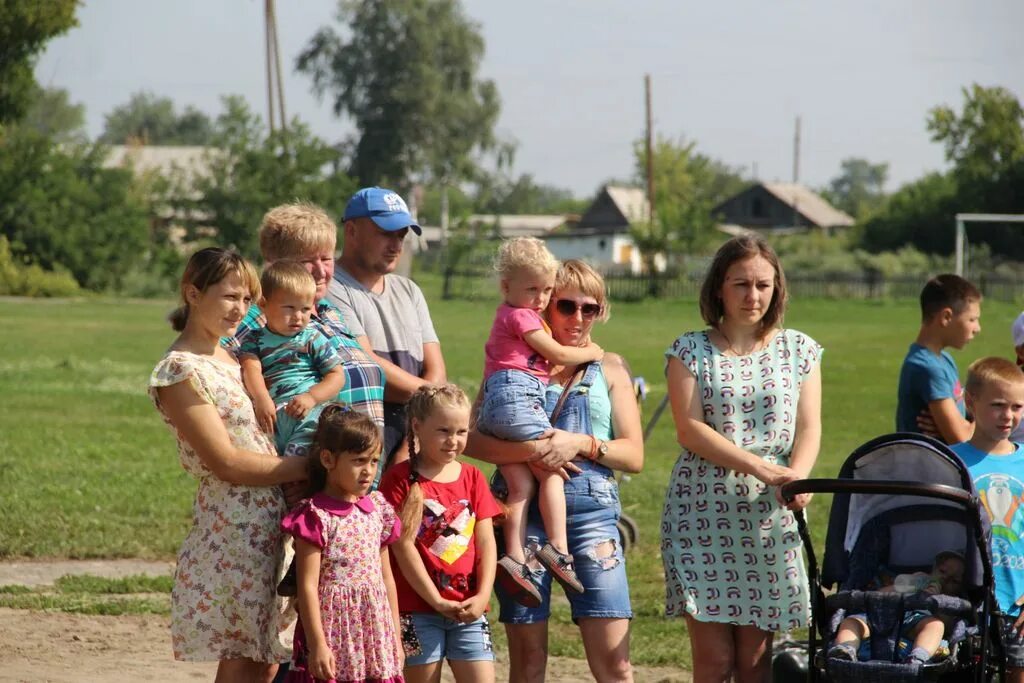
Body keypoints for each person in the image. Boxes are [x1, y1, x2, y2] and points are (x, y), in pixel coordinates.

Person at [466, 259, 644, 683]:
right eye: (567, 306)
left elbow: (634, 455)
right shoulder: (511, 364)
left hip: (592, 520)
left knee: (616, 665)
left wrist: (579, 443)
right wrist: (535, 450)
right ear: (542, 303)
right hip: (521, 518)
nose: (579, 318)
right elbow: (468, 440)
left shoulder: (611, 367)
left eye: (591, 308)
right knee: (527, 664)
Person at [662, 234, 823, 683]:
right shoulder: (690, 350)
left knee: (756, 661)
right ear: (719, 288)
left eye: (762, 285)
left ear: (777, 289)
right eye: (741, 284)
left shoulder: (800, 349)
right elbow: (689, 429)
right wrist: (759, 467)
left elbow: (809, 427)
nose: (753, 296)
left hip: (769, 513)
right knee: (713, 661)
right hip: (702, 511)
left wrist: (798, 479)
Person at [149, 247, 306, 682]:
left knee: (267, 654)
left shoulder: (235, 357)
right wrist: (311, 467)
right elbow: (226, 462)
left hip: (274, 521)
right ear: (193, 294)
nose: (240, 309)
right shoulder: (179, 370)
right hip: (234, 527)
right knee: (241, 655)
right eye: (229, 297)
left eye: (247, 299)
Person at [478, 238, 603, 606]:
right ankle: (559, 549)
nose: (540, 298)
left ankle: (514, 557)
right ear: (506, 287)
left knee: (519, 485)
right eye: (533, 289)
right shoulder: (521, 316)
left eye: (547, 290)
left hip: (498, 404)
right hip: (515, 398)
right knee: (549, 470)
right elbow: (559, 354)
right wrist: (592, 352)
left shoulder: (513, 318)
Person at [225, 202, 386, 462]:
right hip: (306, 469)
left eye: (327, 258)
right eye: (307, 261)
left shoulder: (330, 312)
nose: (321, 271)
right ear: (274, 265)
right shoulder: (250, 322)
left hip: (362, 469)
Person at [378, 384, 500, 683]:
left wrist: (483, 595)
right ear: (417, 426)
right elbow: (402, 548)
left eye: (461, 432)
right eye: (443, 431)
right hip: (415, 611)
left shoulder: (472, 477)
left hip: (469, 609)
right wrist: (435, 600)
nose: (453, 441)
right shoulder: (397, 480)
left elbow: (486, 542)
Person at [280, 405, 404, 683]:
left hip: (374, 632)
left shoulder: (378, 511)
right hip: (333, 631)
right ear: (328, 459)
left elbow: (387, 579)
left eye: (374, 461)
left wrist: (395, 636)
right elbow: (307, 586)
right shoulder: (315, 516)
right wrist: (318, 644)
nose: (368, 471)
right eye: (359, 461)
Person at [328, 187, 445, 466]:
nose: (396, 245)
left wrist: (416, 437)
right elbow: (367, 366)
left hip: (414, 438)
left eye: (401, 235)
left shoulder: (409, 290)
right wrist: (437, 405)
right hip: (359, 446)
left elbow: (437, 368)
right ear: (352, 231)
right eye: (385, 233)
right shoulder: (331, 287)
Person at [950, 356, 1024, 683]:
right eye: (997, 405)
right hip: (962, 599)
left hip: (1017, 601)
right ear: (970, 401)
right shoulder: (950, 460)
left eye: (1017, 407)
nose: (1008, 416)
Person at [240, 261, 346, 457]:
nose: (298, 317)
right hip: (274, 419)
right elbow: (250, 369)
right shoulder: (253, 339)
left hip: (310, 414)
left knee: (302, 457)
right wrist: (262, 398)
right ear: (263, 304)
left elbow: (337, 375)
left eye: (305, 309)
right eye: (289, 308)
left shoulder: (312, 338)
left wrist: (312, 397)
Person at [828, 551, 967, 664]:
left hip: (916, 622)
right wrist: (905, 586)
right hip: (880, 615)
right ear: (934, 569)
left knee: (936, 625)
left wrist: (936, 603)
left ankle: (918, 656)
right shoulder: (918, 581)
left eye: (954, 581)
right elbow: (877, 595)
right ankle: (845, 649)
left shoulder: (952, 601)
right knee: (852, 622)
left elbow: (949, 628)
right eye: (943, 571)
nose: (945, 579)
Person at [896, 274, 981, 443]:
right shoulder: (926, 367)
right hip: (927, 467)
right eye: (972, 319)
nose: (977, 328)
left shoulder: (944, 359)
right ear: (946, 317)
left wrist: (963, 422)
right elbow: (961, 438)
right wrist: (986, 420)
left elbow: (967, 412)